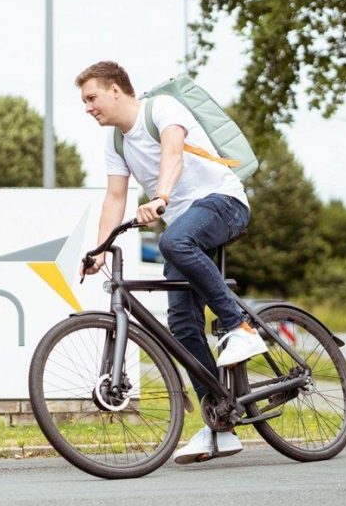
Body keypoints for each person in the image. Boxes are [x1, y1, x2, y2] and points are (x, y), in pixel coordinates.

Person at [75, 61, 267, 464]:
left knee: (173, 241)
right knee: (181, 324)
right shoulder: (115, 143)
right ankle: (221, 423)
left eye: (92, 98)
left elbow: (173, 155)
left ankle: (240, 327)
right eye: (84, 101)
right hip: (184, 224)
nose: (88, 107)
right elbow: (115, 197)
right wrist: (99, 249)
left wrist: (161, 196)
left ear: (115, 89)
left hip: (223, 202)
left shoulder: (161, 108)